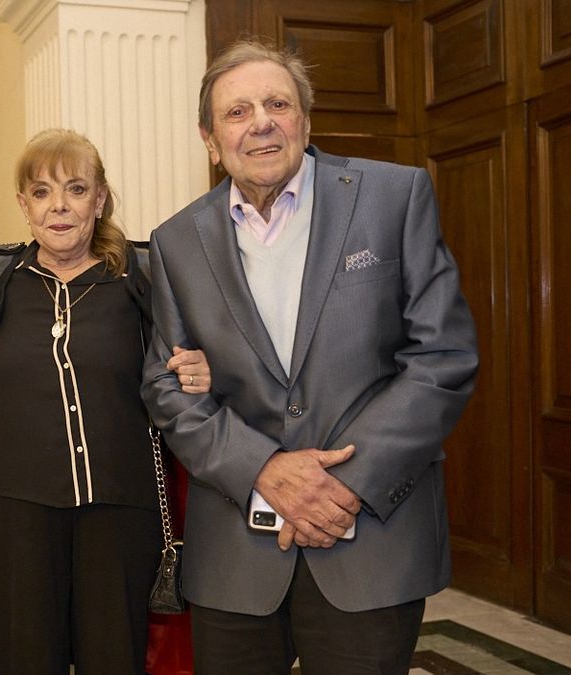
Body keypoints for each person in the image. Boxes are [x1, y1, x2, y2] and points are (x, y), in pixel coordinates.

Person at [141, 38, 479, 673]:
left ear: (305, 118)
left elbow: (443, 356)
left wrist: (341, 487)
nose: (261, 122)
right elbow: (168, 386)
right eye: (237, 112)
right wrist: (265, 470)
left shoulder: (393, 197)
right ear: (210, 139)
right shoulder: (175, 242)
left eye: (277, 103)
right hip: (237, 557)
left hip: (371, 544)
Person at [0, 128, 210, 675]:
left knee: (115, 658)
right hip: (14, 513)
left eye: (75, 189)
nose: (59, 207)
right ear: (23, 205)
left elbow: (188, 361)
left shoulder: (142, 277)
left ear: (99, 199)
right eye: (42, 192)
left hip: (120, 511)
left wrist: (201, 369)